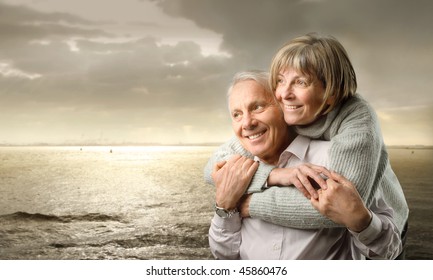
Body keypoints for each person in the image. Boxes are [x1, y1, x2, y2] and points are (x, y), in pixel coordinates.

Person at [204, 34, 409, 247]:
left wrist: (246, 204)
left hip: (386, 234)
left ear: (331, 91)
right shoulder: (287, 111)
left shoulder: (357, 120)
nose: (283, 93)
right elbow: (214, 168)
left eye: (301, 82)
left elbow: (336, 207)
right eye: (280, 80)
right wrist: (273, 175)